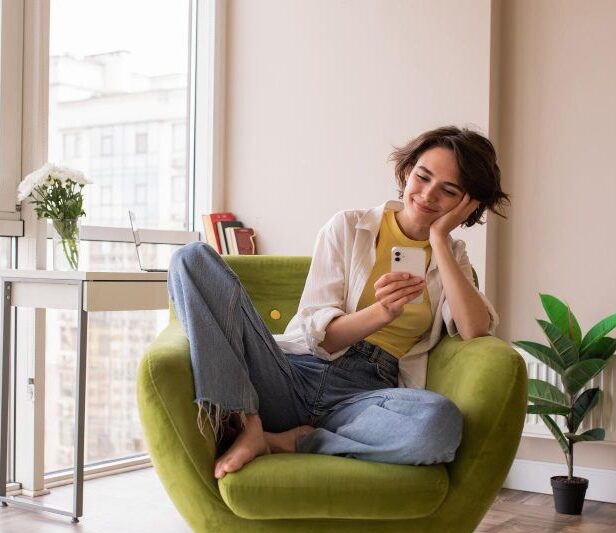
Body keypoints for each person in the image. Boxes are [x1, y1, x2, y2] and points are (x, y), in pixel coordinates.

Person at [167, 125, 509, 479]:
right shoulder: (347, 226)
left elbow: (475, 329)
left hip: (364, 397)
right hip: (291, 374)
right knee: (191, 258)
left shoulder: (452, 256)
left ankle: (297, 441)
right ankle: (248, 425)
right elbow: (323, 339)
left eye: (448, 191)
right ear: (407, 172)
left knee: (440, 424)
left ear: (466, 204)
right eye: (422, 177)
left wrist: (439, 237)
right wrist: (382, 312)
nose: (427, 195)